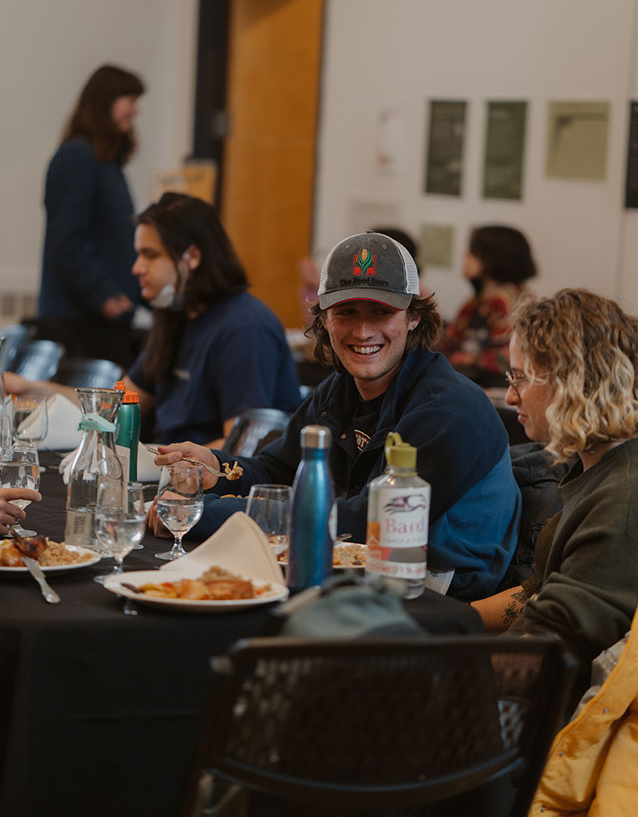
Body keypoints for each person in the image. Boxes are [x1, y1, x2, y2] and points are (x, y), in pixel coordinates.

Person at [148, 230, 522, 601]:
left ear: (414, 318)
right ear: (325, 319)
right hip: (362, 566)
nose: (362, 331)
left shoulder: (450, 411)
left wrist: (202, 513)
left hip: (439, 590)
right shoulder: (338, 389)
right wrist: (215, 468)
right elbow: (277, 470)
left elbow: (364, 522)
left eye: (382, 311)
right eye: (346, 312)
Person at [472, 289, 638, 692]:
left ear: (572, 382)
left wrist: (422, 674)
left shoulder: (625, 503)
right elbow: (542, 595)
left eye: (521, 377)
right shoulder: (610, 466)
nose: (509, 396)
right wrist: (450, 618)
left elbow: (542, 659)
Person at [7, 193, 303, 448]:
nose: (136, 268)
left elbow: (241, 446)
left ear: (193, 256)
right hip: (169, 477)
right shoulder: (176, 316)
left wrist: (157, 460)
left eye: (150, 255)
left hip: (208, 493)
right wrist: (29, 388)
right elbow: (117, 405)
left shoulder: (244, 328)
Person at [37, 64, 145, 367]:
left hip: (103, 320)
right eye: (130, 100)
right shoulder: (77, 156)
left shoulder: (109, 164)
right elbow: (67, 239)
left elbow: (118, 242)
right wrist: (104, 295)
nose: (135, 111)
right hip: (79, 323)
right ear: (104, 102)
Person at [438, 225, 537, 386]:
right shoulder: (476, 303)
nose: (464, 256)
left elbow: (509, 358)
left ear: (491, 259)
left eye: (472, 252)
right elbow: (447, 341)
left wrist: (471, 359)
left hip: (496, 388)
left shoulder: (507, 303)